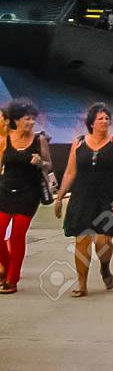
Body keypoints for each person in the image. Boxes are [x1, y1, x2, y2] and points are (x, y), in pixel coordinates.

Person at [53, 103, 113, 297]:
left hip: (107, 197)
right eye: (100, 119)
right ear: (91, 123)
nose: (104, 122)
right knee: (82, 240)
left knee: (103, 241)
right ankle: (82, 284)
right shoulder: (79, 143)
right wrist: (60, 197)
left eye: (107, 118)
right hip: (82, 197)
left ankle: (105, 267)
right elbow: (70, 172)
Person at [0, 99, 53, 293]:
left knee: (17, 235)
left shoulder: (39, 140)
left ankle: (12, 280)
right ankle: (7, 267)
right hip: (5, 190)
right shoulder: (5, 139)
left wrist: (40, 163)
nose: (31, 122)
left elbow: (49, 165)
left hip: (29, 193)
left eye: (32, 119)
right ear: (15, 120)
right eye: (26, 119)